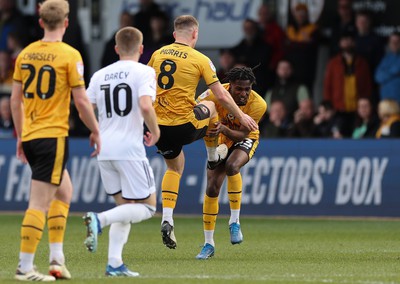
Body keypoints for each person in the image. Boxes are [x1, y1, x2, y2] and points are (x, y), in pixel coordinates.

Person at [147, 15, 258, 249]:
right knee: (209, 107)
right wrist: (241, 115)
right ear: (195, 34)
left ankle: (167, 217)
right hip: (183, 125)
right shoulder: (201, 59)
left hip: (158, 126)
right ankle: (211, 158)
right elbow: (221, 94)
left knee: (174, 168)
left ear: (174, 34)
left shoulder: (157, 54)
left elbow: (145, 86)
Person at [10, 0, 100, 281]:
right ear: (66, 22)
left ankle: (57, 260)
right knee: (38, 203)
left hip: (33, 134)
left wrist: (21, 134)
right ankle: (25, 267)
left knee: (65, 192)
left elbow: (15, 100)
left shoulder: (26, 54)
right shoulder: (69, 55)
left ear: (40, 22)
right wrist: (95, 129)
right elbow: (82, 100)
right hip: (53, 136)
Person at [82, 26, 160, 277]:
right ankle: (99, 219)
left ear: (116, 49)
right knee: (148, 207)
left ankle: (114, 263)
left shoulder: (100, 74)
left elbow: (83, 104)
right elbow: (145, 106)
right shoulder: (145, 71)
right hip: (129, 149)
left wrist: (94, 130)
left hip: (104, 149)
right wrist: (155, 132)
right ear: (141, 49)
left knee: (125, 208)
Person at [195, 66, 266, 259]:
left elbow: (243, 133)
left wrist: (224, 130)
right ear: (229, 86)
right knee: (212, 187)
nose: (243, 94)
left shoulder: (258, 104)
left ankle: (235, 222)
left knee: (232, 166)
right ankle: (208, 244)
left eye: (247, 89)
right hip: (220, 141)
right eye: (238, 89)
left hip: (245, 137)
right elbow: (195, 112)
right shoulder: (213, 95)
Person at [323, 31, 371, 137]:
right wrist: (328, 104)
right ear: (340, 43)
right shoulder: (333, 63)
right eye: (344, 41)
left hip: (357, 109)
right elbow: (327, 85)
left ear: (354, 43)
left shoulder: (362, 62)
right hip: (339, 108)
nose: (347, 43)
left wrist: (365, 103)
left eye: (350, 40)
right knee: (338, 134)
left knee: (357, 135)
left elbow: (367, 85)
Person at [375, 32, 400, 106]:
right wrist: (393, 72)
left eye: (397, 41)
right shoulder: (386, 58)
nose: (394, 44)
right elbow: (378, 77)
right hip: (386, 101)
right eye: (392, 42)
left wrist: (387, 72)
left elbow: (397, 68)